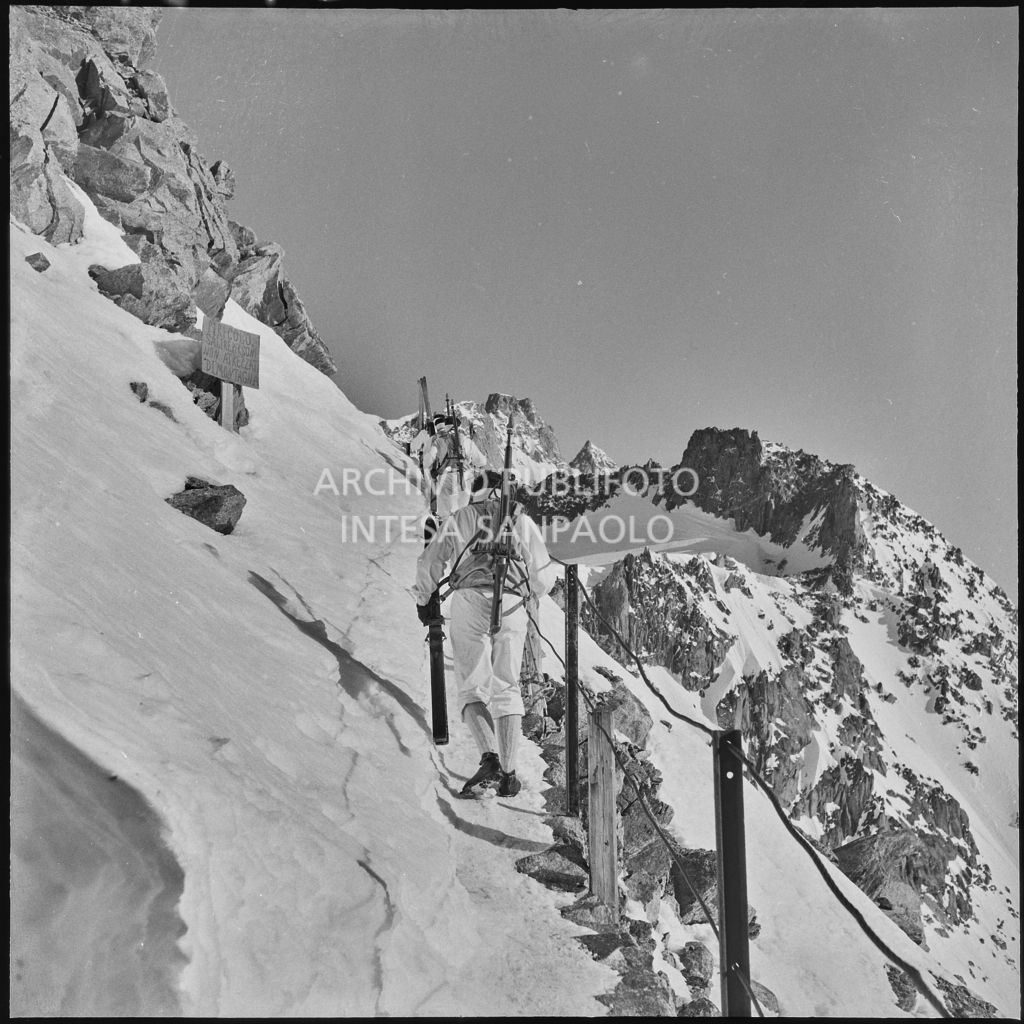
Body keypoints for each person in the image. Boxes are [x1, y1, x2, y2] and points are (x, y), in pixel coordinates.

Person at [413, 469, 558, 797]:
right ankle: (508, 773)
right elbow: (544, 576)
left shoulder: (461, 517)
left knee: (471, 687)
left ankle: (489, 758)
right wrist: (526, 593)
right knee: (507, 685)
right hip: (511, 605)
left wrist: (424, 600)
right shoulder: (521, 520)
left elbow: (430, 562)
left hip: (470, 600)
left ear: (475, 492)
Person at [412, 412, 486, 522]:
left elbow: (427, 462)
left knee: (443, 511)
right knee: (463, 512)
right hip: (465, 477)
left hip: (446, 477)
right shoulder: (466, 441)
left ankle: (443, 527)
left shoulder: (438, 441)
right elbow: (482, 461)